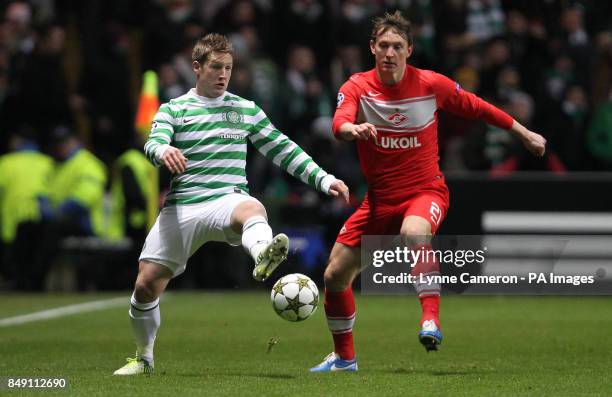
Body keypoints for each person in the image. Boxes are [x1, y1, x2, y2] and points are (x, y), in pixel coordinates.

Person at [310, 11, 546, 372]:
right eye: (384, 45)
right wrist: (352, 131)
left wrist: (525, 133)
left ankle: (430, 319)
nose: (390, 52)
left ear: (409, 50)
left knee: (413, 232)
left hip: (425, 191)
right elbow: (339, 120)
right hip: (379, 202)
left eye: (397, 46)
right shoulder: (357, 85)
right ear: (372, 48)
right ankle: (345, 359)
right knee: (333, 276)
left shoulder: (430, 84)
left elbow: (478, 107)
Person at [113, 33, 349, 375]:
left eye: (228, 67)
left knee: (252, 208)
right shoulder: (174, 109)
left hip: (227, 197)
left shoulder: (245, 109)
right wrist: (163, 150)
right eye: (216, 67)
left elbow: (282, 148)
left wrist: (324, 179)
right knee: (145, 285)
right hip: (185, 205)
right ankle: (144, 358)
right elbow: (153, 143)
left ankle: (263, 254)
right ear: (197, 67)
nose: (223, 74)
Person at [0, 127, 54, 289]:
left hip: (12, 220)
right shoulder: (48, 162)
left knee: (15, 261)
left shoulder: (6, 162)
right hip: (42, 218)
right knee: (35, 258)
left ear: (19, 141)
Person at [49, 126, 108, 238]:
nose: (60, 146)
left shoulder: (88, 163)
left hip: (87, 230)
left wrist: (59, 210)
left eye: (64, 142)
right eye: (57, 143)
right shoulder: (60, 166)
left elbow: (85, 197)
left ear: (74, 141)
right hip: (66, 229)